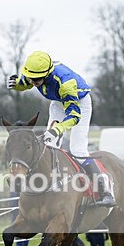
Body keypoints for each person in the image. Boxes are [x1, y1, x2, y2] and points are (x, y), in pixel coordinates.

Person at [8, 51, 114, 206]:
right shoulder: (34, 72)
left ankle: (105, 190)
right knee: (49, 146)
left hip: (79, 104)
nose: (34, 82)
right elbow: (26, 82)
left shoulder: (65, 82)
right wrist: (17, 84)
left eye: (38, 79)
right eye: (32, 78)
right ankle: (45, 187)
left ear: (47, 74)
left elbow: (74, 116)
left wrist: (57, 129)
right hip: (58, 102)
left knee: (78, 150)